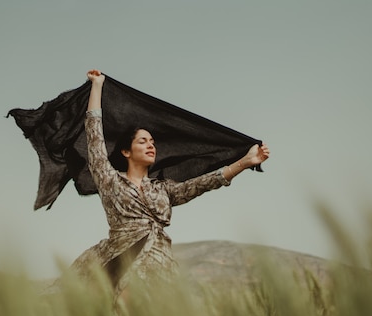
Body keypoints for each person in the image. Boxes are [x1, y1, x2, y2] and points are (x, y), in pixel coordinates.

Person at [71, 69, 270, 301]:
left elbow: (206, 182)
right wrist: (97, 86)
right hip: (120, 260)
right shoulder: (109, 179)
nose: (150, 145)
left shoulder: (164, 188)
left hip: (159, 267)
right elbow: (94, 135)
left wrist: (246, 162)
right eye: (143, 141)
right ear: (126, 151)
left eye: (153, 142)